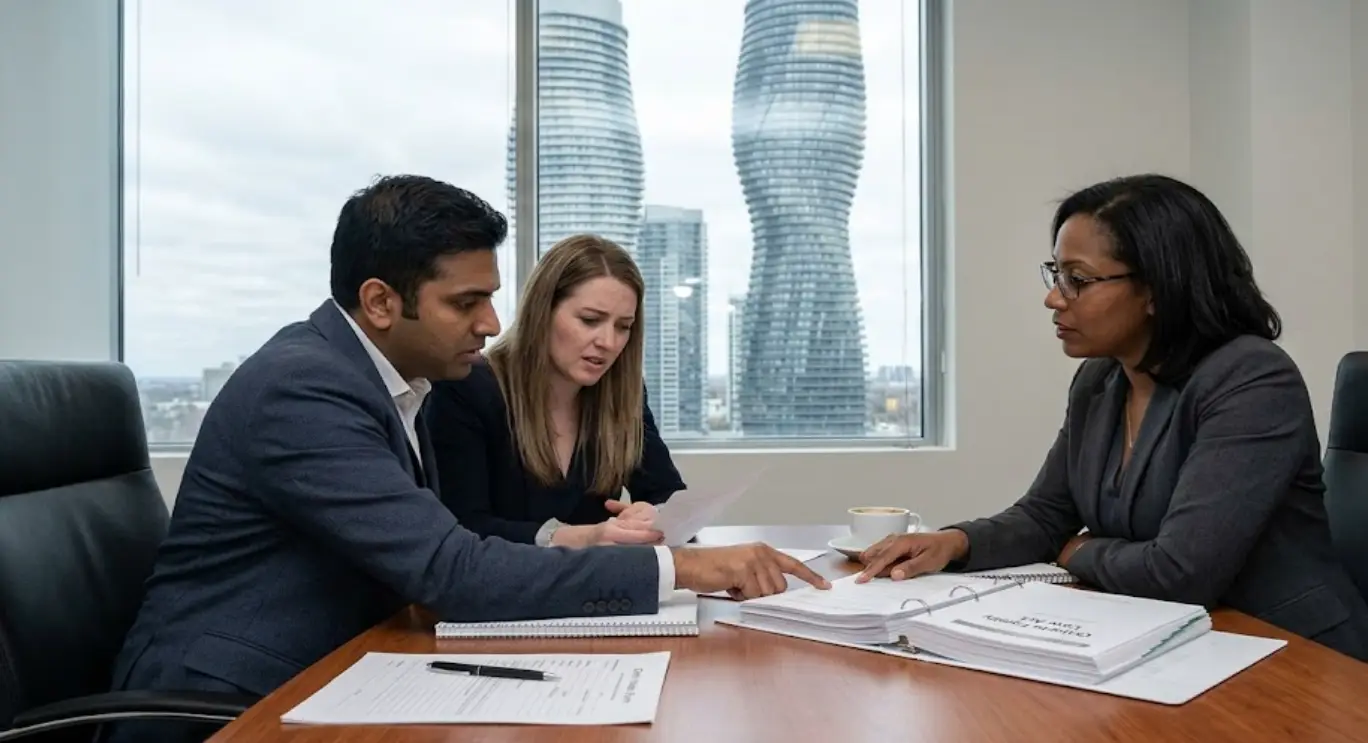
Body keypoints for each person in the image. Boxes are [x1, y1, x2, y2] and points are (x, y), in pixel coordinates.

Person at [103, 175, 828, 743]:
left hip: (340, 673)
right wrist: (686, 567)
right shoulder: (306, 386)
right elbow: (452, 566)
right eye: (467, 302)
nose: (489, 323)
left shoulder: (397, 385)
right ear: (381, 301)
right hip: (224, 704)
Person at [855, 173, 1368, 661]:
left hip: (1292, 653)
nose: (1054, 298)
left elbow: (1180, 573)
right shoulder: (1101, 379)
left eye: (1078, 280)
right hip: (1176, 642)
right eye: (1056, 275)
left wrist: (1074, 552)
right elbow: (1045, 515)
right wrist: (954, 542)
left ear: (1156, 289)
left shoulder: (1252, 378)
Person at [426, 234, 684, 547]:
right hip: (504, 590)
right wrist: (572, 537)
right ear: (542, 312)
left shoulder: (623, 392)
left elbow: (670, 497)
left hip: (598, 592)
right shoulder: (467, 388)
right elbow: (460, 527)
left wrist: (652, 515)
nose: (609, 342)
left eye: (623, 326)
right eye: (590, 320)